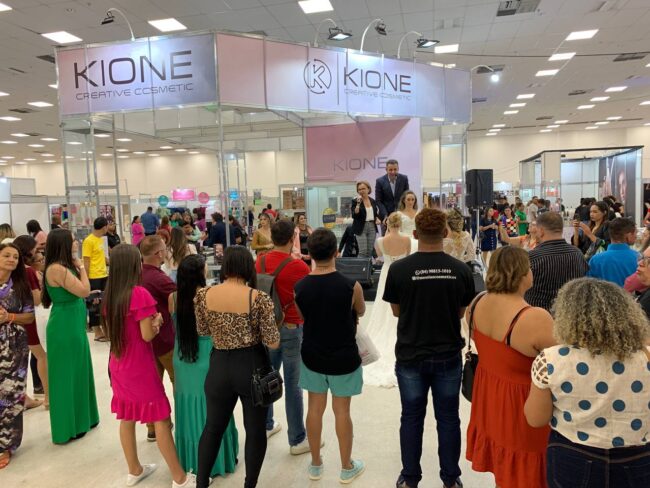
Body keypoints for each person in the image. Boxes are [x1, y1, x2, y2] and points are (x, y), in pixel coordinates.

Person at [524, 278, 650, 488]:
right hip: (638, 459)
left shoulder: (551, 360)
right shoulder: (646, 357)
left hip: (573, 456)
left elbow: (536, 419)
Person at [383, 208, 475, 488]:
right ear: (445, 233)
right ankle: (451, 478)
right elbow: (461, 312)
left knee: (411, 417)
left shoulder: (399, 270)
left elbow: (397, 311)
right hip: (448, 355)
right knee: (448, 418)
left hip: (410, 354)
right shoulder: (461, 270)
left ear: (415, 234)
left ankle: (410, 478)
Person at [103, 244, 195, 488]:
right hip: (139, 367)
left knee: (127, 416)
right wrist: (158, 321)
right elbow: (146, 335)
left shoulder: (110, 296)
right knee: (161, 418)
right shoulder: (138, 294)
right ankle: (180, 478)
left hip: (118, 364)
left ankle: (134, 469)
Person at [465, 246, 556, 488]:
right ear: (522, 273)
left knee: (504, 464)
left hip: (489, 395)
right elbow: (561, 363)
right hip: (523, 403)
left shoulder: (477, 302)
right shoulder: (535, 317)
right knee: (528, 468)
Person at [196, 246, 279, 488]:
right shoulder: (258, 298)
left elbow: (203, 330)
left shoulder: (203, 295)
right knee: (255, 430)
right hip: (251, 366)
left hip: (219, 365)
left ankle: (201, 483)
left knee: (213, 428)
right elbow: (273, 342)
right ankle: (249, 484)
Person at [295, 228, 367, 483]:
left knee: (314, 409)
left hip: (312, 355)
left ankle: (315, 464)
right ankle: (346, 466)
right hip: (344, 357)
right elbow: (360, 311)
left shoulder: (300, 287)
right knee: (342, 411)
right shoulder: (351, 286)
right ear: (337, 252)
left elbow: (303, 317)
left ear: (310, 254)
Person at [170, 254, 238, 478]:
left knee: (187, 406)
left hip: (183, 358)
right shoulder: (210, 296)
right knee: (215, 408)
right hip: (207, 357)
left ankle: (191, 460)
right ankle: (216, 459)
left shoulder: (173, 298)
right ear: (200, 273)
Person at [254, 220, 312, 452]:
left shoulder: (260, 261)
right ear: (291, 239)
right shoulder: (299, 267)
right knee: (293, 385)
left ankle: (266, 424)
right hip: (291, 327)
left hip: (266, 328)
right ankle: (296, 439)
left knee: (267, 376)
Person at [42, 229, 99, 444]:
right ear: (64, 244)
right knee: (66, 376)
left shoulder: (63, 267)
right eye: (73, 240)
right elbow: (84, 290)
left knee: (79, 370)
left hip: (72, 322)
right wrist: (82, 267)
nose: (76, 242)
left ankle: (84, 418)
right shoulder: (57, 269)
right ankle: (69, 426)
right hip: (64, 326)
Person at [363, 213, 411, 388]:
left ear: (387, 224)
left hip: (387, 273)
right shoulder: (407, 240)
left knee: (384, 304)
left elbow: (379, 255)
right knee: (402, 304)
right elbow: (407, 255)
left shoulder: (380, 240)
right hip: (403, 273)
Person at [0, 243, 35, 469]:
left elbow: (29, 317)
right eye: (6, 255)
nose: (11, 259)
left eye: (15, 257)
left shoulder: (21, 286)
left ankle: (5, 445)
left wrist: (9, 317)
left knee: (11, 395)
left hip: (15, 348)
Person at [140, 235, 178, 442]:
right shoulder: (158, 278)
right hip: (164, 339)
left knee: (151, 386)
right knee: (178, 381)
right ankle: (183, 419)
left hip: (145, 341)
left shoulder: (136, 274)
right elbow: (178, 298)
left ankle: (153, 427)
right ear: (159, 253)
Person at [524, 212, 588, 312]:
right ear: (561, 230)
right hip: (570, 313)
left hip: (539, 314)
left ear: (541, 231)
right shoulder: (577, 253)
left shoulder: (532, 257)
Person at [13, 235, 49, 409]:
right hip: (32, 319)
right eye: (35, 248)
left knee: (26, 360)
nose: (38, 251)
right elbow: (36, 299)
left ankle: (26, 397)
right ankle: (48, 397)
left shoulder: (16, 271)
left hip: (19, 319)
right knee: (42, 357)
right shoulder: (28, 271)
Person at [586, 217, 638, 286]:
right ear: (628, 235)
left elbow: (589, 285)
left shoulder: (595, 260)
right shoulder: (638, 258)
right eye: (635, 233)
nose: (636, 236)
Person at [82, 217, 109, 342]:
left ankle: (105, 329)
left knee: (104, 304)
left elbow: (102, 258)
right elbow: (86, 261)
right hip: (93, 277)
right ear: (104, 227)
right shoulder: (88, 241)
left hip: (103, 275)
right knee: (94, 304)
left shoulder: (100, 240)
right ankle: (97, 332)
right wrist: (86, 279)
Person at [351, 181, 382, 258]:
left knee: (370, 251)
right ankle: (360, 266)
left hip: (372, 226)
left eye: (363, 188)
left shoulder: (373, 201)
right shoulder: (355, 201)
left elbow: (375, 213)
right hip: (360, 227)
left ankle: (368, 266)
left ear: (368, 189)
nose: (361, 191)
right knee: (363, 251)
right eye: (359, 189)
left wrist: (377, 218)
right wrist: (358, 205)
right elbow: (354, 215)